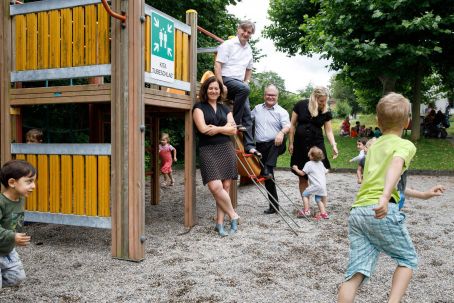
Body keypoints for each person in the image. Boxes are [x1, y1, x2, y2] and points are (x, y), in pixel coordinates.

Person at [338, 93, 425, 303]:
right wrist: (385, 197)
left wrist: (423, 194)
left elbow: (375, 178)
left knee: (356, 272)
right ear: (407, 122)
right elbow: (396, 165)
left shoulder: (373, 145)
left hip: (358, 211)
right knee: (407, 259)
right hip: (380, 210)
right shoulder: (405, 145)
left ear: (378, 121)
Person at [193, 76, 240, 237]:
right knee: (215, 187)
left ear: (220, 91)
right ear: (205, 90)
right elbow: (203, 129)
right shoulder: (198, 107)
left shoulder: (225, 108)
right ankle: (233, 215)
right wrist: (224, 127)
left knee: (225, 187)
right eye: (210, 88)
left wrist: (218, 129)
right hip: (207, 150)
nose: (214, 91)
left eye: (216, 88)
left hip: (226, 148)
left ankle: (219, 223)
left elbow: (233, 130)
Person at [214, 20, 261, 157]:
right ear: (238, 29)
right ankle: (235, 121)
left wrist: (247, 81)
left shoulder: (249, 49)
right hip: (226, 79)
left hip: (239, 83)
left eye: (249, 32)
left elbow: (249, 68)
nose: (245, 34)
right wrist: (221, 84)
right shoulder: (227, 45)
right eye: (244, 30)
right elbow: (218, 65)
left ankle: (250, 146)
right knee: (244, 90)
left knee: (249, 114)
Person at [288, 86, 338, 206]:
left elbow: (329, 131)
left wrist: (334, 145)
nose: (323, 103)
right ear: (314, 98)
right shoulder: (300, 105)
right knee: (302, 176)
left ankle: (322, 207)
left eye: (325, 100)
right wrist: (291, 142)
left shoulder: (326, 111)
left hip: (317, 146)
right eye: (321, 101)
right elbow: (293, 125)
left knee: (320, 175)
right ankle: (307, 205)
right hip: (300, 144)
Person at [251, 84, 290, 215]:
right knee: (268, 176)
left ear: (277, 96)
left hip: (277, 145)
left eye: (273, 95)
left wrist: (281, 133)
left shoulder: (282, 111)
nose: (270, 97)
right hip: (261, 146)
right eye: (268, 94)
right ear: (264, 95)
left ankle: (267, 167)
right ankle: (274, 206)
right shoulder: (256, 109)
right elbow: (248, 120)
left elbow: (288, 126)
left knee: (277, 140)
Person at [0, 160, 36, 289]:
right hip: (6, 243)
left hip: (7, 249)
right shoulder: (1, 203)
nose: (34, 186)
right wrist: (13, 236)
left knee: (17, 277)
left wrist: (17, 237)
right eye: (29, 181)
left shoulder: (19, 200)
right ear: (12, 182)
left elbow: (16, 222)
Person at [292, 146, 329, 220]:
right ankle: (324, 214)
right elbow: (326, 171)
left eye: (309, 152)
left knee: (305, 194)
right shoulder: (321, 163)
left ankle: (306, 211)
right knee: (318, 199)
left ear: (311, 156)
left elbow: (302, 174)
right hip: (322, 185)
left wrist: (296, 169)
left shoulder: (309, 164)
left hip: (315, 185)